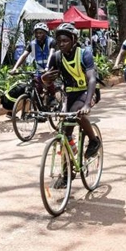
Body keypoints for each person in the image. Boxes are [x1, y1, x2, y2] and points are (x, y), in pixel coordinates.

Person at [42, 23, 101, 158]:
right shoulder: (56, 57)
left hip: (87, 92)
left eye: (65, 41)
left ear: (74, 40)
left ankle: (93, 141)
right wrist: (44, 80)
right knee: (64, 131)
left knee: (77, 113)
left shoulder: (84, 54)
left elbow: (92, 79)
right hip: (69, 93)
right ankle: (67, 172)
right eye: (59, 41)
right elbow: (49, 82)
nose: (61, 44)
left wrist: (87, 104)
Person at [10, 22, 58, 106]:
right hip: (39, 69)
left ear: (45, 33)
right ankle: (39, 107)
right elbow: (24, 55)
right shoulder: (32, 44)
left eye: (40, 33)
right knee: (37, 88)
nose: (38, 35)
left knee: (48, 79)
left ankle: (53, 97)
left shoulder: (51, 41)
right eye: (36, 33)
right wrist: (14, 68)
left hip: (51, 67)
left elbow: (51, 55)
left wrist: (47, 67)